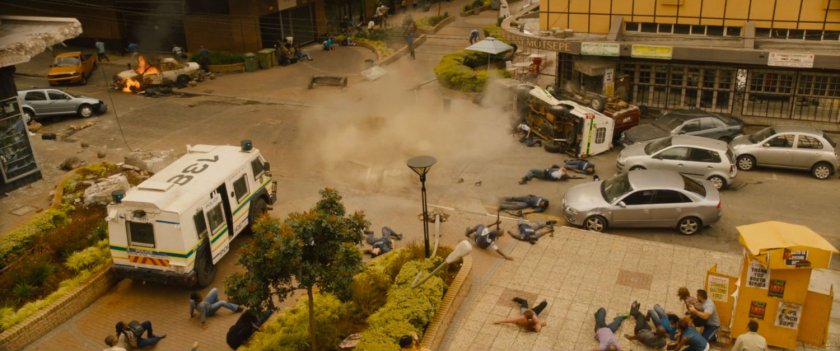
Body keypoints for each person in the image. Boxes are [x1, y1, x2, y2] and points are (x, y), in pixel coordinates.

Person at [519, 164, 583, 184]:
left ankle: (524, 179)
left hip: (544, 173)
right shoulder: (560, 173)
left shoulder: (559, 175)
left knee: (532, 170)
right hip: (545, 173)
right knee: (534, 175)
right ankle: (527, 178)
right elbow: (556, 166)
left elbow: (551, 176)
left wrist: (548, 171)